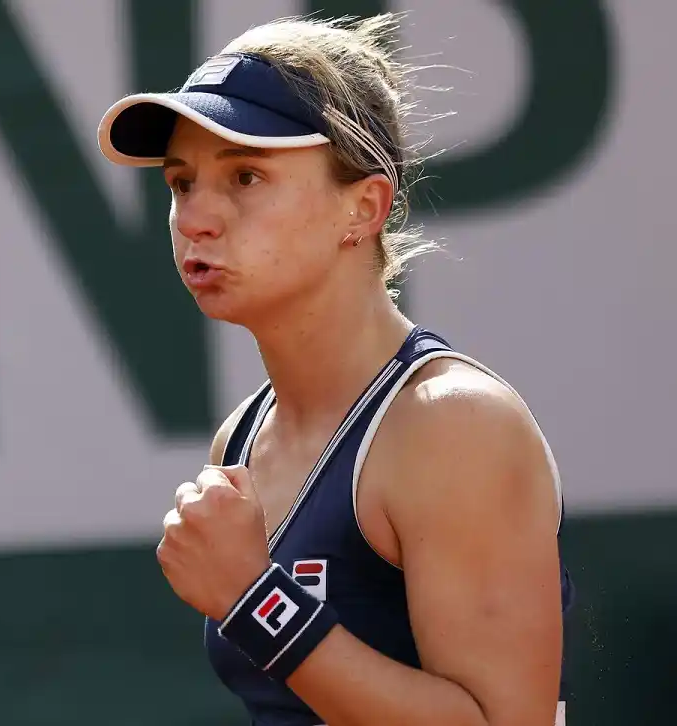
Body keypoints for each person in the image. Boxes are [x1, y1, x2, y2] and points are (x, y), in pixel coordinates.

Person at [96, 13, 574, 726]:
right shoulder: (242, 439)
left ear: (363, 207)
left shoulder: (454, 423)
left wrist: (253, 599)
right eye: (180, 183)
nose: (195, 216)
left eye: (246, 176)